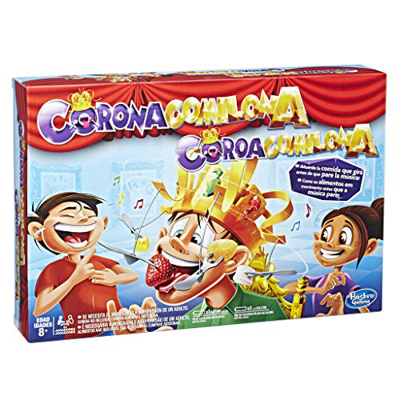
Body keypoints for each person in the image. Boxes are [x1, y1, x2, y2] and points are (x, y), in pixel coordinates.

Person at [27, 192, 138, 338]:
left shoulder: (98, 260)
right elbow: (39, 309)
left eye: (90, 215)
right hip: (80, 335)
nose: (84, 218)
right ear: (37, 230)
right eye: (68, 215)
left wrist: (115, 278)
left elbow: (132, 275)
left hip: (117, 328)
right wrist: (74, 279)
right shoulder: (53, 270)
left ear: (103, 223)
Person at [285, 198, 384, 316]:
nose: (329, 244)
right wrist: (319, 290)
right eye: (325, 236)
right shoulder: (325, 279)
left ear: (369, 248)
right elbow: (286, 289)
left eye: (343, 239)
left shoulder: (344, 280)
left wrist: (337, 308)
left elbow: (365, 310)